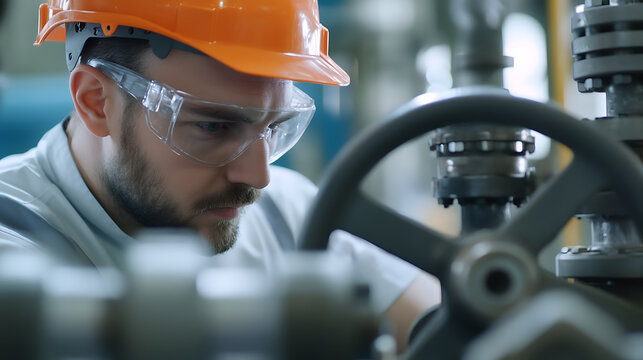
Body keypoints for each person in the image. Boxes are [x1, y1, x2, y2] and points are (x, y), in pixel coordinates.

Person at [0, 0, 440, 350]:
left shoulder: (287, 215)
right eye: (214, 126)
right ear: (97, 101)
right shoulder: (13, 244)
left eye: (272, 127)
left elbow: (451, 328)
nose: (260, 176)